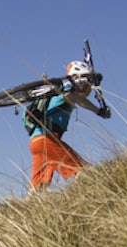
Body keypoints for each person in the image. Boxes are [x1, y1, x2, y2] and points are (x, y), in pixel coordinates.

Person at [26, 60, 111, 189]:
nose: (88, 85)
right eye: (86, 80)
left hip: (36, 142)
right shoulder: (66, 90)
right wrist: (98, 111)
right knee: (84, 171)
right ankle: (81, 202)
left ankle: (29, 208)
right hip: (47, 140)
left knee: (38, 188)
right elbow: (74, 97)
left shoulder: (54, 92)